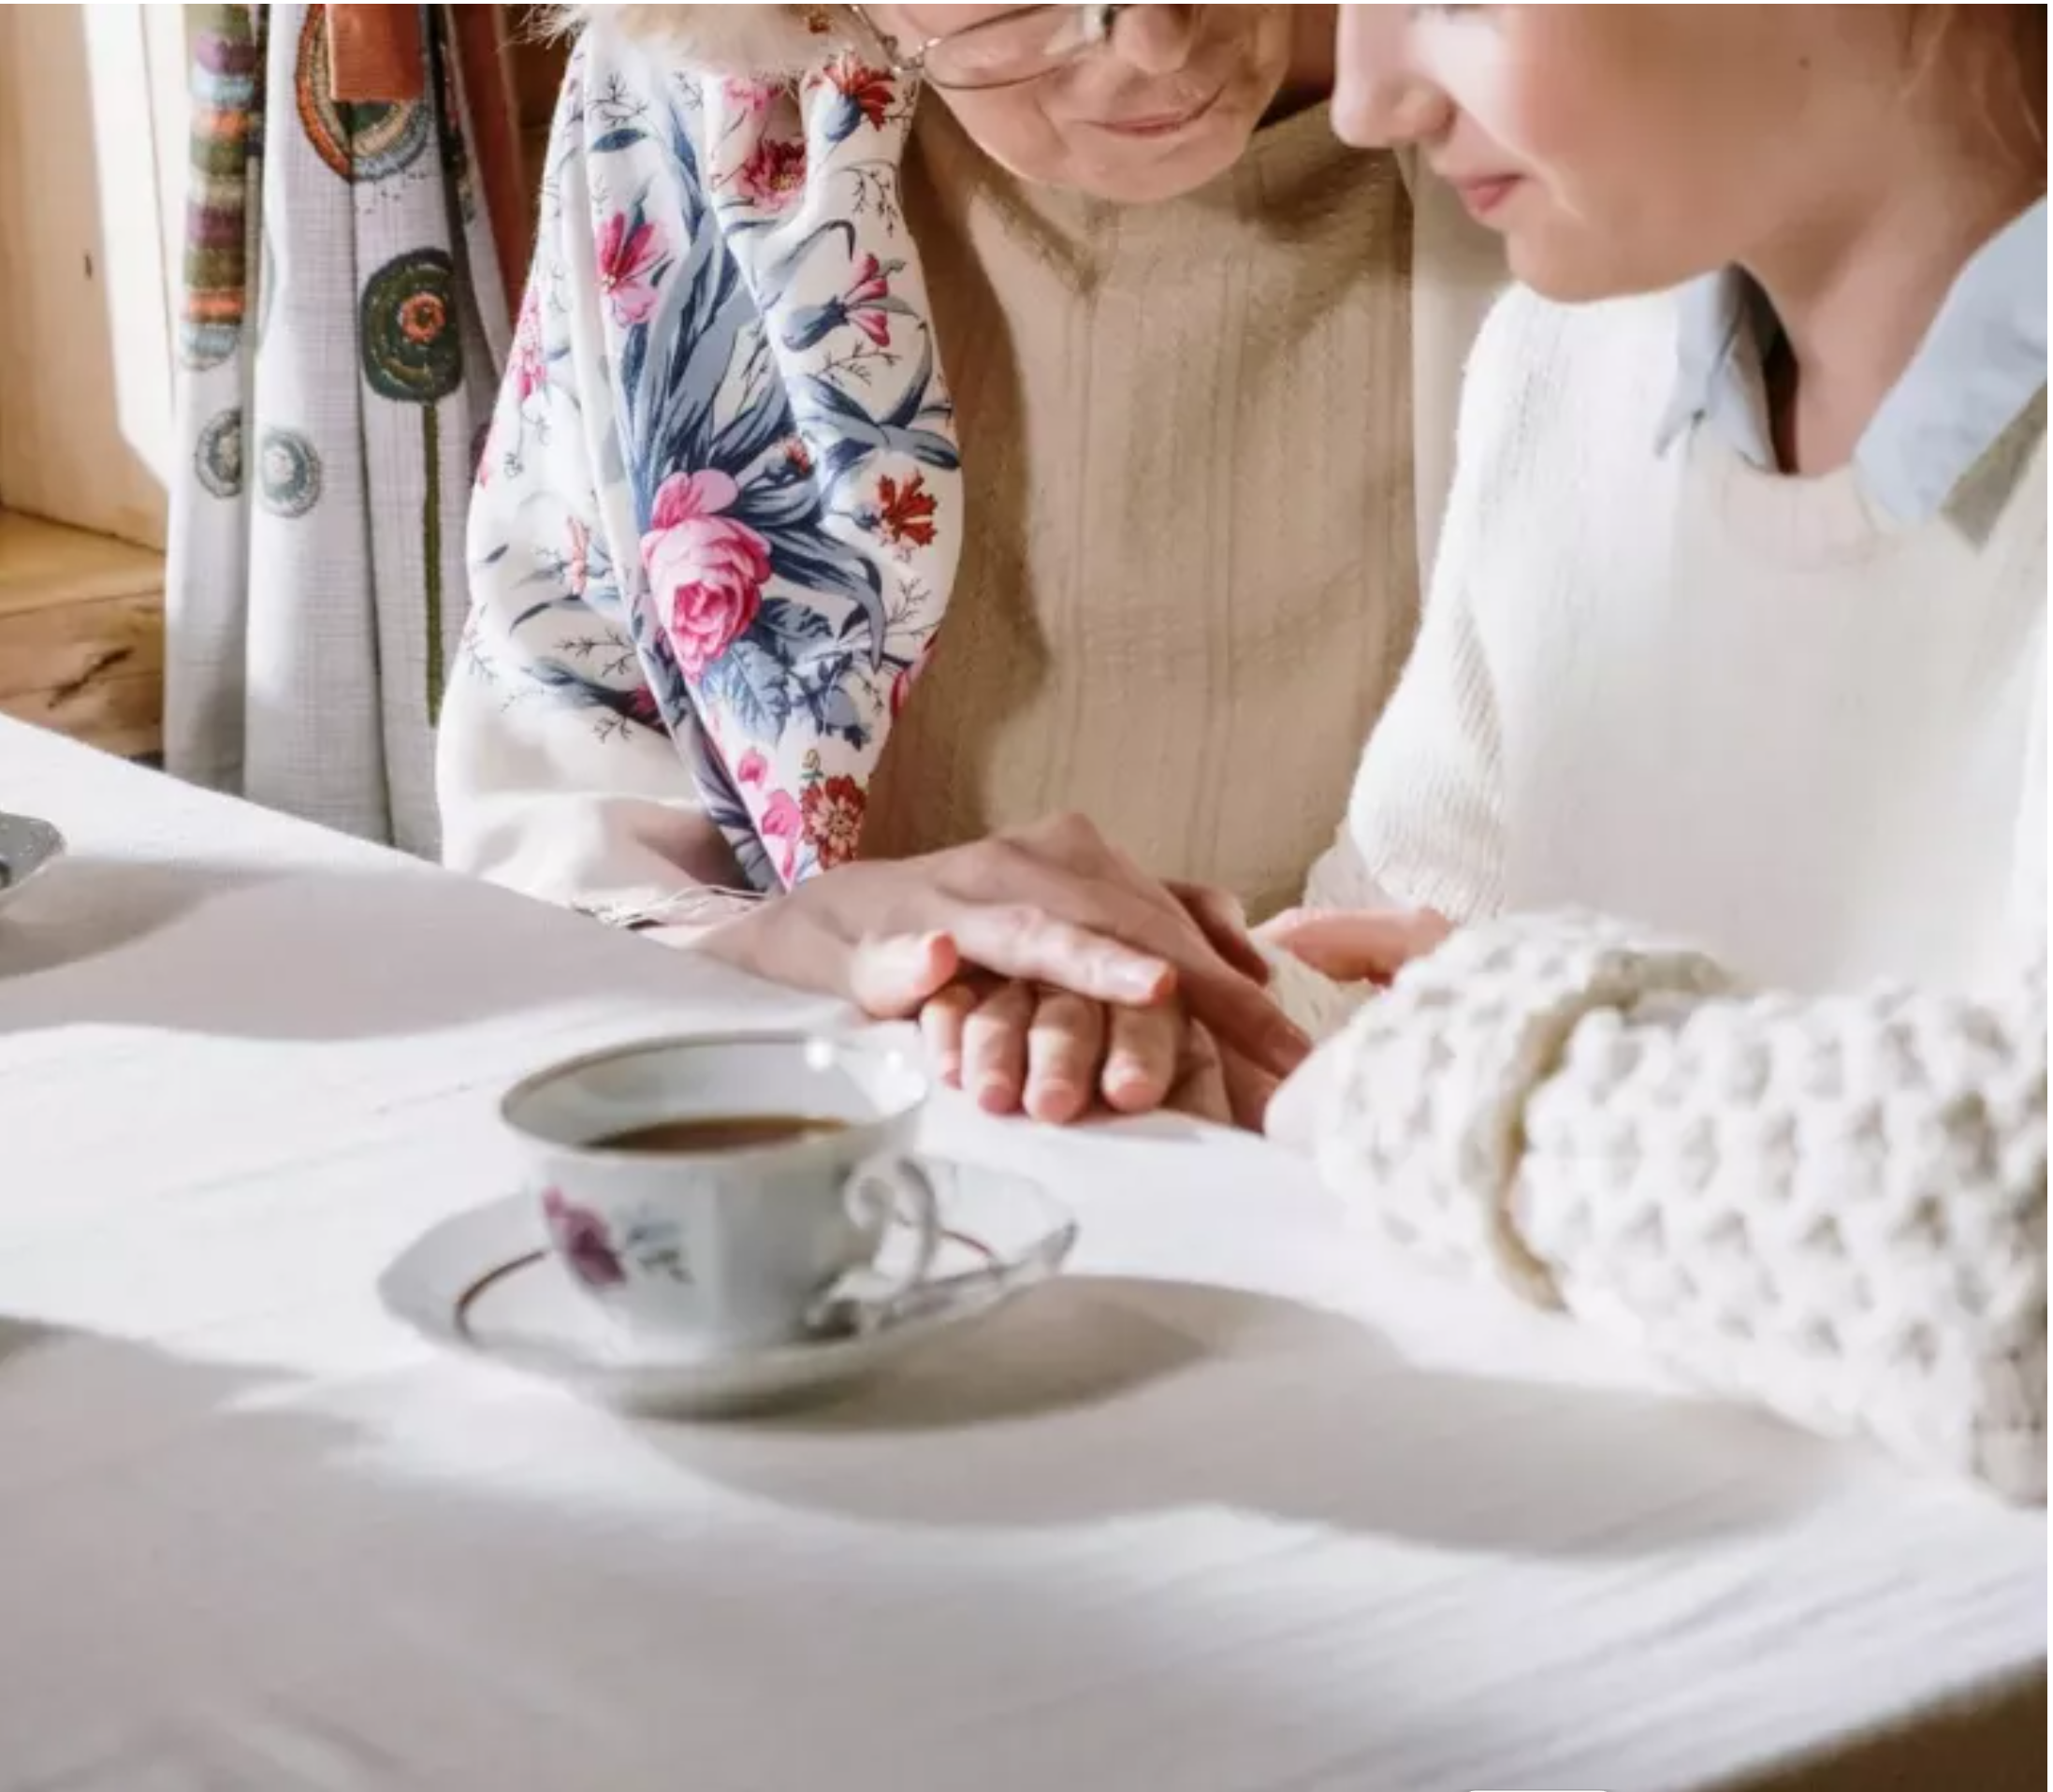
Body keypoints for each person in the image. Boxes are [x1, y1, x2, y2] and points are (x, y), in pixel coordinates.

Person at [437, 4, 1500, 1125]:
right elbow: (546, 825)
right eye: (1028, 6)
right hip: (872, 1134)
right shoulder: (692, 99)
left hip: (1447, 1137)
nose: (1154, 43)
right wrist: (787, 945)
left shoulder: (1592, 95)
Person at [1262, 5, 2046, 1501]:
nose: (1362, 100)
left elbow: (2025, 1250)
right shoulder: (1570, 361)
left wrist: (1403, 1085)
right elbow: (1399, 980)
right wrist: (1195, 1011)